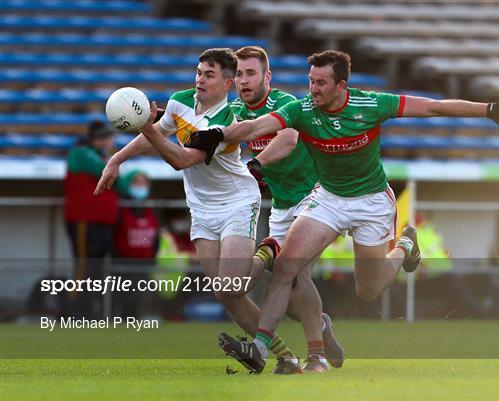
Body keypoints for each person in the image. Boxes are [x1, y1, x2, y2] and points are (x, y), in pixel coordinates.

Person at [186, 50, 499, 373]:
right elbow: (256, 127)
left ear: (341, 85)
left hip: (371, 203)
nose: (313, 89)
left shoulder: (372, 104)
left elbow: (432, 108)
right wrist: (217, 135)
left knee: (368, 290)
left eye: (321, 83)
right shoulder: (302, 109)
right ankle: (263, 348)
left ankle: (404, 248)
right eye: (310, 81)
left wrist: (489, 109)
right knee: (286, 269)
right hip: (328, 198)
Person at [95, 48, 339, 374]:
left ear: (226, 84)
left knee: (266, 281)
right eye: (198, 72)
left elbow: (181, 159)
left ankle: (314, 350)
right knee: (226, 294)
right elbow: (164, 130)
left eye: (209, 75)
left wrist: (146, 126)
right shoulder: (181, 101)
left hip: (244, 203)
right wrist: (116, 159)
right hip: (203, 209)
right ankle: (285, 356)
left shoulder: (228, 118)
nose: (199, 79)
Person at [227, 45, 344, 372]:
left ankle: (315, 356)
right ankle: (320, 325)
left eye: (251, 73)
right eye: (238, 74)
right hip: (281, 206)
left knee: (294, 272)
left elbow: (289, 139)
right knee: (287, 286)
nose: (244, 80)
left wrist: (256, 163)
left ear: (268, 77)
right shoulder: (235, 110)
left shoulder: (287, 104)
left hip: (316, 196)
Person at [64, 120, 120, 319]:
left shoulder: (97, 155)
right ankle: (73, 313)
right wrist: (108, 157)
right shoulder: (81, 152)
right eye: (103, 138)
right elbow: (106, 172)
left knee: (95, 269)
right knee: (83, 267)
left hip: (100, 222)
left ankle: (90, 312)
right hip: (85, 220)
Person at [113, 170, 160, 318]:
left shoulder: (150, 209)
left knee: (138, 301)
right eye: (137, 183)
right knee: (122, 302)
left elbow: (156, 238)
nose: (141, 186)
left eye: (144, 183)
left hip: (143, 265)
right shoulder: (120, 208)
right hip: (122, 265)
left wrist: (153, 258)